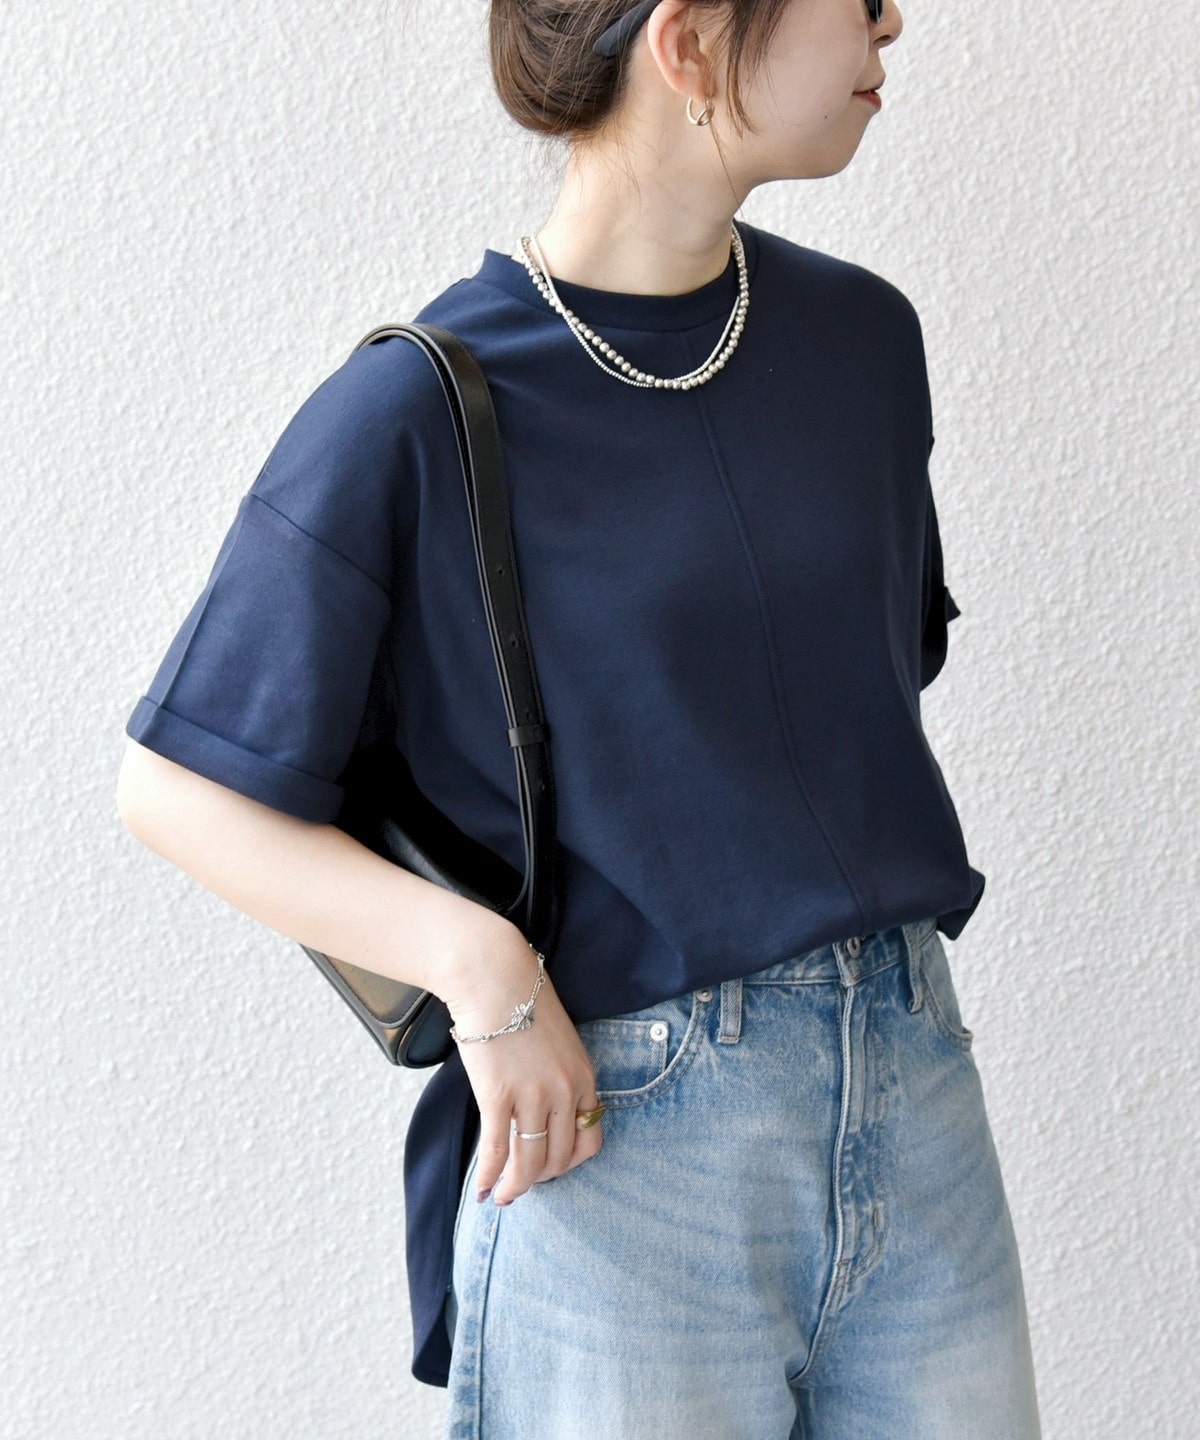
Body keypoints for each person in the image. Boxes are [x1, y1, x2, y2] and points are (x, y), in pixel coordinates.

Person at [116, 1, 1044, 1435]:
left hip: (916, 1086)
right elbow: (179, 788)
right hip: (621, 1137)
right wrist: (475, 965)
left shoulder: (864, 343)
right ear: (688, 42)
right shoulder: (417, 407)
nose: (891, 19)